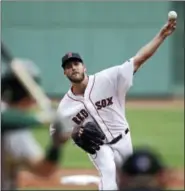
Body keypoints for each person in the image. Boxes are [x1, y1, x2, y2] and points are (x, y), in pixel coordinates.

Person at [50, 18, 176, 190]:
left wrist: (162, 36)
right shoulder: (66, 106)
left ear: (84, 67)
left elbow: (139, 59)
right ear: (65, 72)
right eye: (68, 66)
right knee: (108, 171)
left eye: (76, 64)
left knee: (131, 178)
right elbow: (56, 135)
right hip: (98, 146)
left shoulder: (107, 79)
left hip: (123, 139)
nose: (73, 68)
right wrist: (73, 132)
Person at [1, 59, 69, 190]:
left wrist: (56, 145)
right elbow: (5, 120)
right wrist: (44, 119)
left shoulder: (17, 130)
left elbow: (44, 169)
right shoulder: (13, 125)